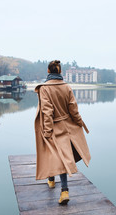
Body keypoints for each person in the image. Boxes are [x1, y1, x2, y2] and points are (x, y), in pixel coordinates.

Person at [34, 60, 91, 204]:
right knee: (61, 156)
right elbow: (73, 109)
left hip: (53, 126)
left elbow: (47, 112)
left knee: (55, 155)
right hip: (67, 126)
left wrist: (47, 131)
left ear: (48, 71)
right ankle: (55, 182)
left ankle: (61, 188)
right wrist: (79, 122)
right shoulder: (67, 87)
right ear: (60, 72)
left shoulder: (44, 89)